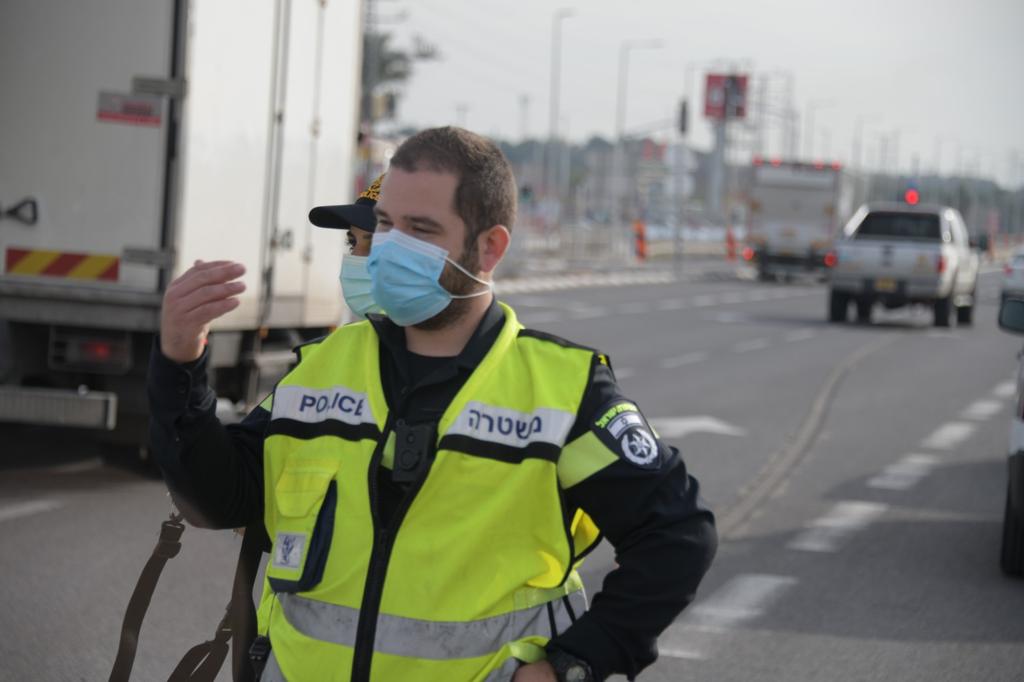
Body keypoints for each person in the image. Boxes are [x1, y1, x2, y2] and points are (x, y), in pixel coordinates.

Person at [148, 126, 717, 682]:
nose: (387, 249)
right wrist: (181, 362)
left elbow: (676, 537)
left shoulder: (563, 390)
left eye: (419, 230)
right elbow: (220, 501)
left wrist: (574, 662)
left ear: (489, 247)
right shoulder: (322, 367)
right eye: (384, 226)